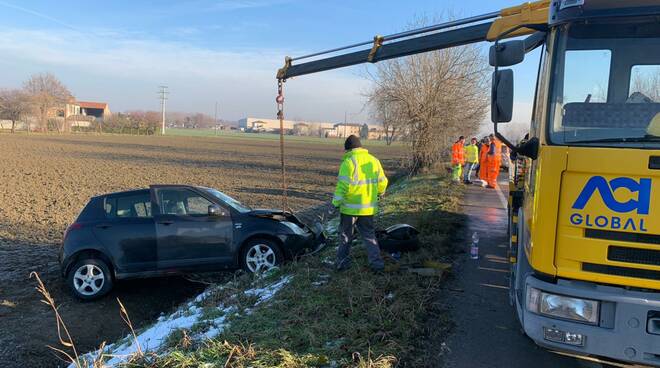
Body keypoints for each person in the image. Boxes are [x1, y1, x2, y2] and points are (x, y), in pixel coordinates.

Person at [332, 135, 388, 272]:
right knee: (369, 236)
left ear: (348, 149)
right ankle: (377, 265)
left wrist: (335, 203)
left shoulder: (348, 163)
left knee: (346, 237)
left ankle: (342, 264)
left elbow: (342, 187)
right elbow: (383, 182)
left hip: (349, 210)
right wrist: (380, 192)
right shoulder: (374, 161)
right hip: (368, 209)